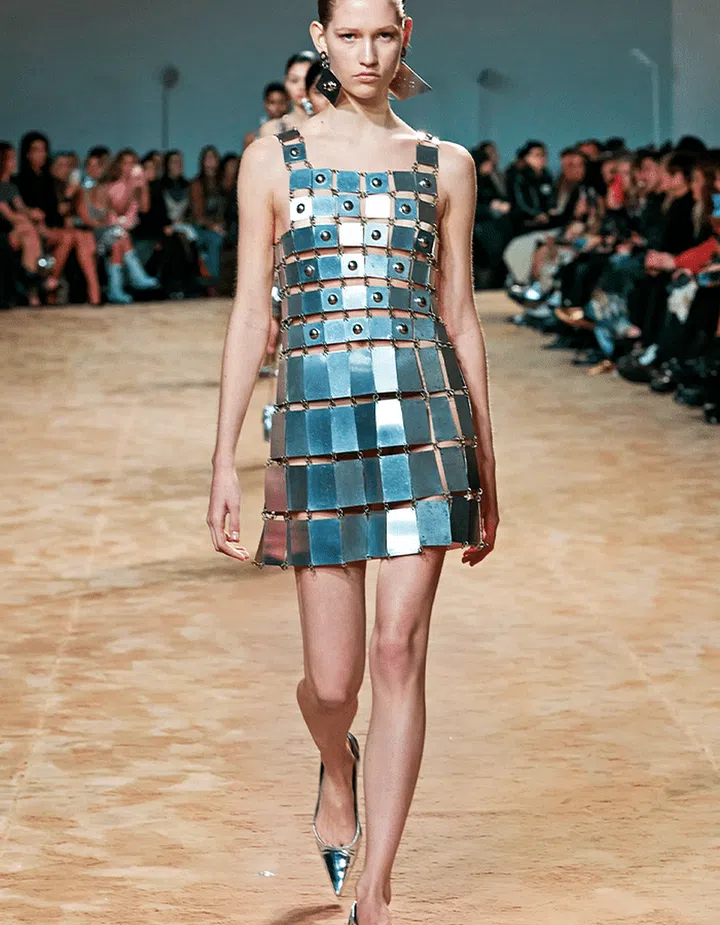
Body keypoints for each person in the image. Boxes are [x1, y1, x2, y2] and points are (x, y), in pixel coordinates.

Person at [206, 2, 499, 924]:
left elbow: (460, 317)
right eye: (349, 35)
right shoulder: (272, 159)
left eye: (382, 34)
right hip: (315, 421)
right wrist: (223, 460)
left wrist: (487, 465)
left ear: (405, 34)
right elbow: (250, 314)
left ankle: (375, 888)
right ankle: (337, 762)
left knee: (398, 650)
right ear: (320, 38)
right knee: (332, 684)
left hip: (426, 419)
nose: (366, 52)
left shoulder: (446, 164)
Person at [258, 50, 319, 138]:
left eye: (308, 80)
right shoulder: (271, 129)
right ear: (285, 82)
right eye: (294, 80)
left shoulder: (331, 123)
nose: (302, 86)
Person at [190, 145, 226, 282]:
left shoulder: (221, 183)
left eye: (213, 158)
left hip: (216, 226)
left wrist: (220, 224)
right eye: (208, 158)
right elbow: (198, 215)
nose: (211, 162)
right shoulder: (197, 184)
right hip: (198, 226)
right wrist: (213, 226)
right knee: (215, 239)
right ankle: (212, 279)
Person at [243, 83, 291, 150]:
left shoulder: (294, 130)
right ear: (266, 104)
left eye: (281, 102)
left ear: (288, 103)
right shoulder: (253, 138)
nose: (277, 107)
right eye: (272, 102)